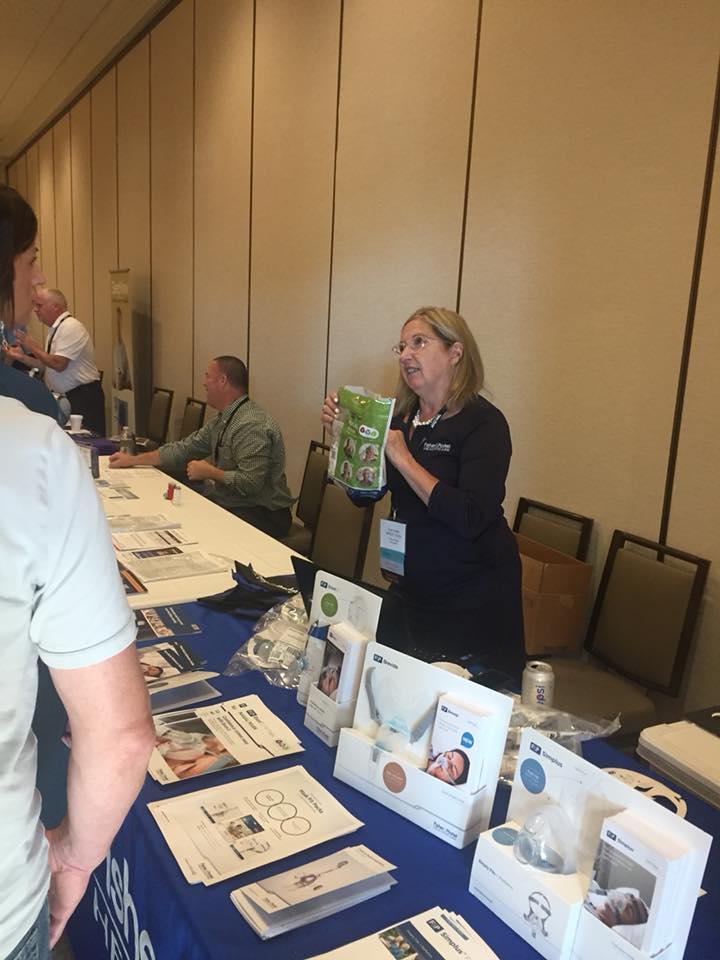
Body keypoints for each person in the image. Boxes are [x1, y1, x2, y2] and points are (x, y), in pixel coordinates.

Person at [0, 184, 154, 958]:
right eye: (27, 265)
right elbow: (122, 735)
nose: (32, 285)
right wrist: (74, 859)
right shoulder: (28, 453)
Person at [322, 306, 525, 684]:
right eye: (401, 346)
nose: (406, 354)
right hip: (412, 584)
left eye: (419, 342)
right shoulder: (401, 418)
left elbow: (471, 516)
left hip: (470, 594)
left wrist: (401, 456)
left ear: (455, 352)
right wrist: (347, 440)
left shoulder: (484, 423)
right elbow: (368, 495)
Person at [109, 355, 295, 538]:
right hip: (234, 504)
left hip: (262, 513)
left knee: (195, 528)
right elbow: (185, 449)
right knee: (179, 514)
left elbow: (251, 483)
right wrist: (133, 460)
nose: (204, 383)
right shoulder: (224, 419)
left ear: (223, 381)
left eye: (207, 376)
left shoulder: (251, 425)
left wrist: (210, 472)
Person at [6, 286, 106, 434]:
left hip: (83, 397)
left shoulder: (71, 327)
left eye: (39, 305)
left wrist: (32, 345)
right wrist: (22, 357)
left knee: (88, 442)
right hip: (68, 396)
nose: (35, 310)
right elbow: (46, 365)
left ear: (56, 307)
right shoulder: (56, 328)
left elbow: (59, 364)